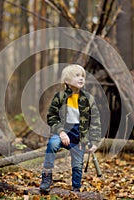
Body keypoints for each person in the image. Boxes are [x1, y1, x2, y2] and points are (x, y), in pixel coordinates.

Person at [39, 64, 101, 193]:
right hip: (63, 132)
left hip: (79, 136)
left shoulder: (88, 99)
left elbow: (95, 121)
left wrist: (94, 142)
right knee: (52, 144)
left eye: (82, 76)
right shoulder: (60, 97)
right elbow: (52, 116)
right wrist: (61, 132)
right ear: (66, 81)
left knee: (78, 165)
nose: (81, 78)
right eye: (77, 75)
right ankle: (46, 178)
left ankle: (76, 189)